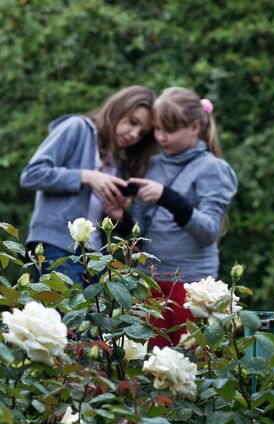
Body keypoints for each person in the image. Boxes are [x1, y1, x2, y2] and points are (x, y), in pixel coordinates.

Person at [106, 87, 238, 347]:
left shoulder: (213, 169)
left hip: (193, 287)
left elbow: (209, 230)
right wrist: (120, 217)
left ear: (195, 127)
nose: (162, 137)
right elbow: (139, 240)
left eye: (170, 130)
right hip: (148, 284)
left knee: (193, 366)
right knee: (149, 369)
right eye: (157, 129)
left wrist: (166, 196)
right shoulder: (151, 166)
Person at [20, 85, 156, 285]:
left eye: (142, 132)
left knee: (91, 317)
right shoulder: (77, 127)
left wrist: (115, 213)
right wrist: (86, 176)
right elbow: (31, 175)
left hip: (95, 257)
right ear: (118, 109)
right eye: (133, 122)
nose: (134, 134)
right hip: (56, 246)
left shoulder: (117, 164)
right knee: (62, 315)